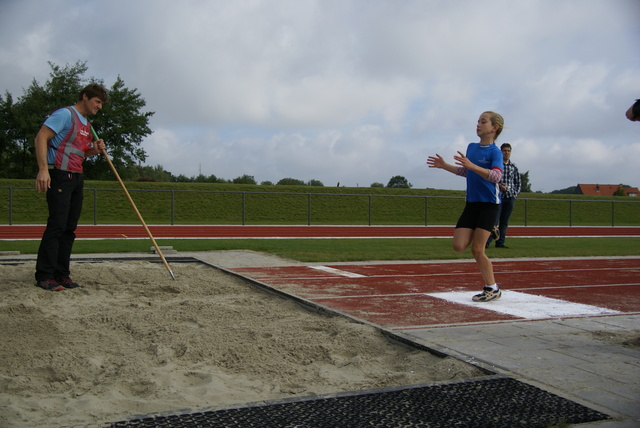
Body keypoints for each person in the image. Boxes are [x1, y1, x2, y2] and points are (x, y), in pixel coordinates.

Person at [34, 83, 108, 291]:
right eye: (97, 102)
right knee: (57, 225)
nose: (99, 106)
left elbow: (79, 152)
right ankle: (45, 276)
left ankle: (62, 274)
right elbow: (41, 137)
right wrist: (43, 170)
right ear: (85, 97)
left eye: (101, 103)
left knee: (69, 228)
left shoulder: (87, 124)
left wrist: (94, 150)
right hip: (59, 174)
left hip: (76, 177)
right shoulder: (65, 114)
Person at [427, 111, 504, 302]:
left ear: (494, 128)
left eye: (483, 122)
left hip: (489, 206)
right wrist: (444, 165)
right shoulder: (471, 147)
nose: (478, 124)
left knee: (477, 250)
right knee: (458, 245)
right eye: (478, 121)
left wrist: (473, 166)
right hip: (471, 204)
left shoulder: (495, 152)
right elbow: (466, 172)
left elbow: (496, 176)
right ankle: (491, 228)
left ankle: (492, 288)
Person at [486, 143, 521, 248]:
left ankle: (500, 243)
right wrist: (498, 185)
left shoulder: (513, 167)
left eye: (508, 151)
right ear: (501, 152)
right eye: (504, 151)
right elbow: (490, 179)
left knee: (504, 222)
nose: (507, 152)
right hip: (498, 197)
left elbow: (518, 183)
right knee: (494, 221)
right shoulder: (496, 166)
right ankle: (487, 242)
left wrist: (515, 194)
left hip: (509, 197)